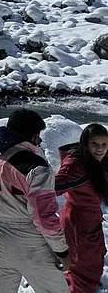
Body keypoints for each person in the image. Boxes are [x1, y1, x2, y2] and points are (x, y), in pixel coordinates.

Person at [0, 109, 70, 293]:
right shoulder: (37, 168)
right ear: (33, 136)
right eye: (38, 137)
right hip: (30, 242)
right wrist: (62, 251)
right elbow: (44, 217)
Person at [56, 124, 108, 293]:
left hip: (91, 220)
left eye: (104, 144)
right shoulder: (76, 166)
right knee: (82, 269)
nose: (100, 149)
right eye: (95, 144)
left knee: (92, 263)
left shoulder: (96, 161)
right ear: (86, 143)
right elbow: (49, 189)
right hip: (78, 223)